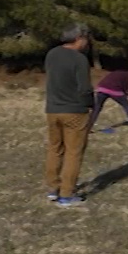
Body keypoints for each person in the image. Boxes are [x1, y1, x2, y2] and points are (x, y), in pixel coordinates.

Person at [43, 23, 94, 208]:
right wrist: (91, 105)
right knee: (74, 152)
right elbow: (85, 88)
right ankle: (67, 194)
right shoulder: (79, 60)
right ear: (79, 38)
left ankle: (53, 188)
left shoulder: (52, 54)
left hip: (52, 109)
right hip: (74, 110)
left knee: (55, 149)